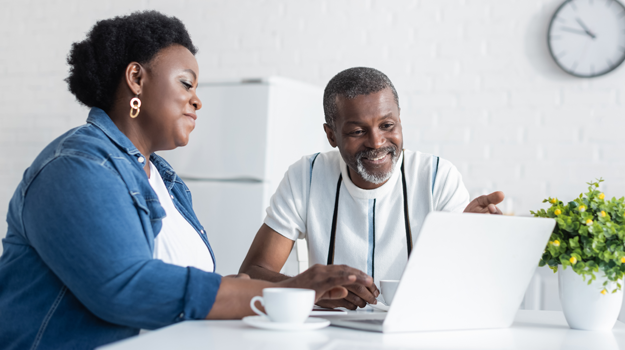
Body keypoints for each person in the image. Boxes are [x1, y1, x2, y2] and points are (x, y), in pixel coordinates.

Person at [0, 12, 373, 350]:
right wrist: (288, 290)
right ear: (136, 79)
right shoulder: (77, 166)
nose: (197, 101)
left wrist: (301, 291)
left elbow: (189, 287)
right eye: (186, 84)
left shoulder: (167, 183)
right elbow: (130, 288)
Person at [239, 67, 504, 310]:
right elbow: (252, 272)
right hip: (333, 334)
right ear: (331, 135)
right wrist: (314, 289)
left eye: (387, 126)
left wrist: (473, 241)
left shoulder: (437, 177)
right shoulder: (305, 176)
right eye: (357, 131)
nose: (376, 142)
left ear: (400, 121)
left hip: (417, 332)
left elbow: (466, 286)